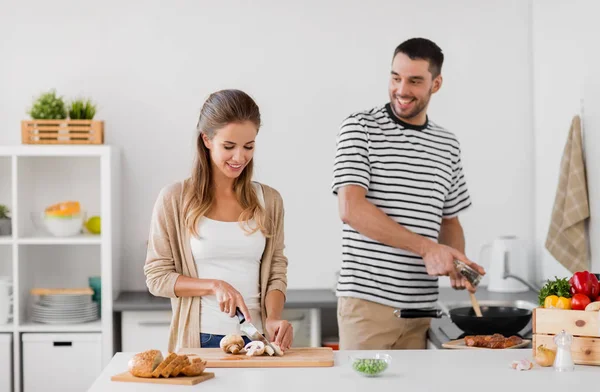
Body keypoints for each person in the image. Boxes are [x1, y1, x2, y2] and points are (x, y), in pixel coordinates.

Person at [332, 38, 485, 350]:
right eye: (395, 77)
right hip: (368, 305)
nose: (401, 90)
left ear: (436, 83)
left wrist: (458, 263)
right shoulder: (360, 128)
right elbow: (351, 208)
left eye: (415, 81)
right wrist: (428, 249)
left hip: (422, 310)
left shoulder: (447, 145)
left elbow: (450, 221)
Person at [144, 89, 293, 353]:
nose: (239, 158)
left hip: (256, 341)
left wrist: (273, 318)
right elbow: (157, 277)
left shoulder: (269, 201)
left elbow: (276, 272)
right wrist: (214, 286)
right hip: (199, 340)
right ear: (207, 139)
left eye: (249, 146)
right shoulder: (174, 199)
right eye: (229, 146)